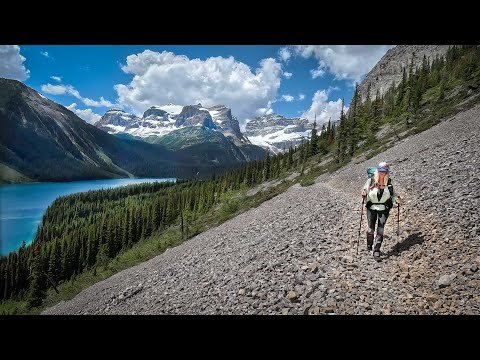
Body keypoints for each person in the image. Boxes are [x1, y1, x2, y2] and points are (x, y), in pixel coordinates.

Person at [361, 161, 401, 261]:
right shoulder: (370, 181)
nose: (382, 173)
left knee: (380, 229)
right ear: (378, 171)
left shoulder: (389, 184)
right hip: (371, 208)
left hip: (384, 209)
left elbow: (393, 195)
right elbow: (364, 190)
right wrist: (364, 193)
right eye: (380, 171)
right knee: (371, 228)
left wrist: (396, 200)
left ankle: (376, 251)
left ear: (387, 172)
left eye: (384, 171)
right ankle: (369, 244)